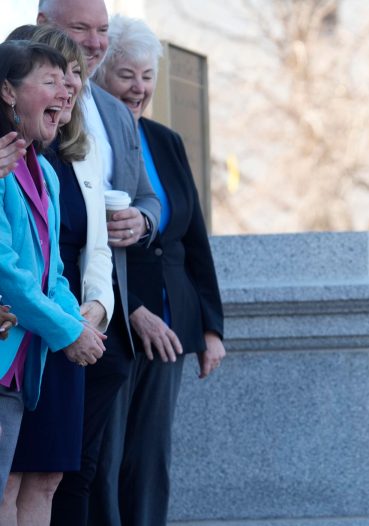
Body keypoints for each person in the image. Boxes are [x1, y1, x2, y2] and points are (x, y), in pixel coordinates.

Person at [90, 15, 225, 525]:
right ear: (100, 75)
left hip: (171, 326)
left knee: (151, 464)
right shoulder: (90, 138)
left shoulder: (166, 140)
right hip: (115, 323)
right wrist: (133, 309)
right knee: (103, 464)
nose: (139, 88)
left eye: (147, 76)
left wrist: (211, 327)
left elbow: (193, 239)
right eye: (126, 75)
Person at [36, 1, 162, 522]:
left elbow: (145, 198)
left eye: (102, 30)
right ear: (44, 27)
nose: (94, 42)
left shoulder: (112, 111)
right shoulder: (23, 116)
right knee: (32, 474)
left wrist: (142, 221)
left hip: (103, 319)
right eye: (80, 29)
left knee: (80, 473)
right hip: (42, 320)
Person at [0, 25, 114, 526]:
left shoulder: (45, 170)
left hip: (31, 361)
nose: (67, 91)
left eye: (69, 82)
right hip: (9, 351)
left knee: (40, 483)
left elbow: (54, 274)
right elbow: (8, 273)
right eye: (50, 81)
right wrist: (70, 330)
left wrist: (81, 325)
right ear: (9, 92)